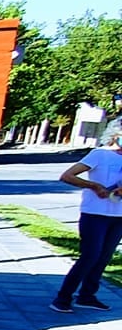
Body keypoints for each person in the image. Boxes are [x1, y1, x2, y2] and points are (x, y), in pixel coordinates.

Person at [53, 132, 122, 312]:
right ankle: (62, 298)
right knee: (90, 256)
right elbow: (67, 176)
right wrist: (94, 186)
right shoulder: (101, 154)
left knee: (104, 257)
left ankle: (87, 296)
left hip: (119, 217)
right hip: (94, 214)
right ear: (116, 134)